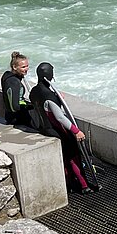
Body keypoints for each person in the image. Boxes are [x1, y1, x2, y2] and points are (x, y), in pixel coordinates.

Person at [30, 62, 100, 194]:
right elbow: (60, 117)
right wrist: (76, 131)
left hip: (44, 128)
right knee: (73, 157)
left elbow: (40, 106)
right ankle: (84, 185)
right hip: (57, 131)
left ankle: (70, 184)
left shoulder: (34, 91)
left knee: (65, 158)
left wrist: (56, 98)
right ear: (50, 75)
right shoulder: (49, 95)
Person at [1, 51, 33, 126]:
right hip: (18, 119)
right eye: (23, 67)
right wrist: (31, 106)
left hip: (9, 116)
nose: (26, 69)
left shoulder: (6, 75)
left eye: (27, 66)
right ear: (14, 67)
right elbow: (15, 107)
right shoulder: (14, 82)